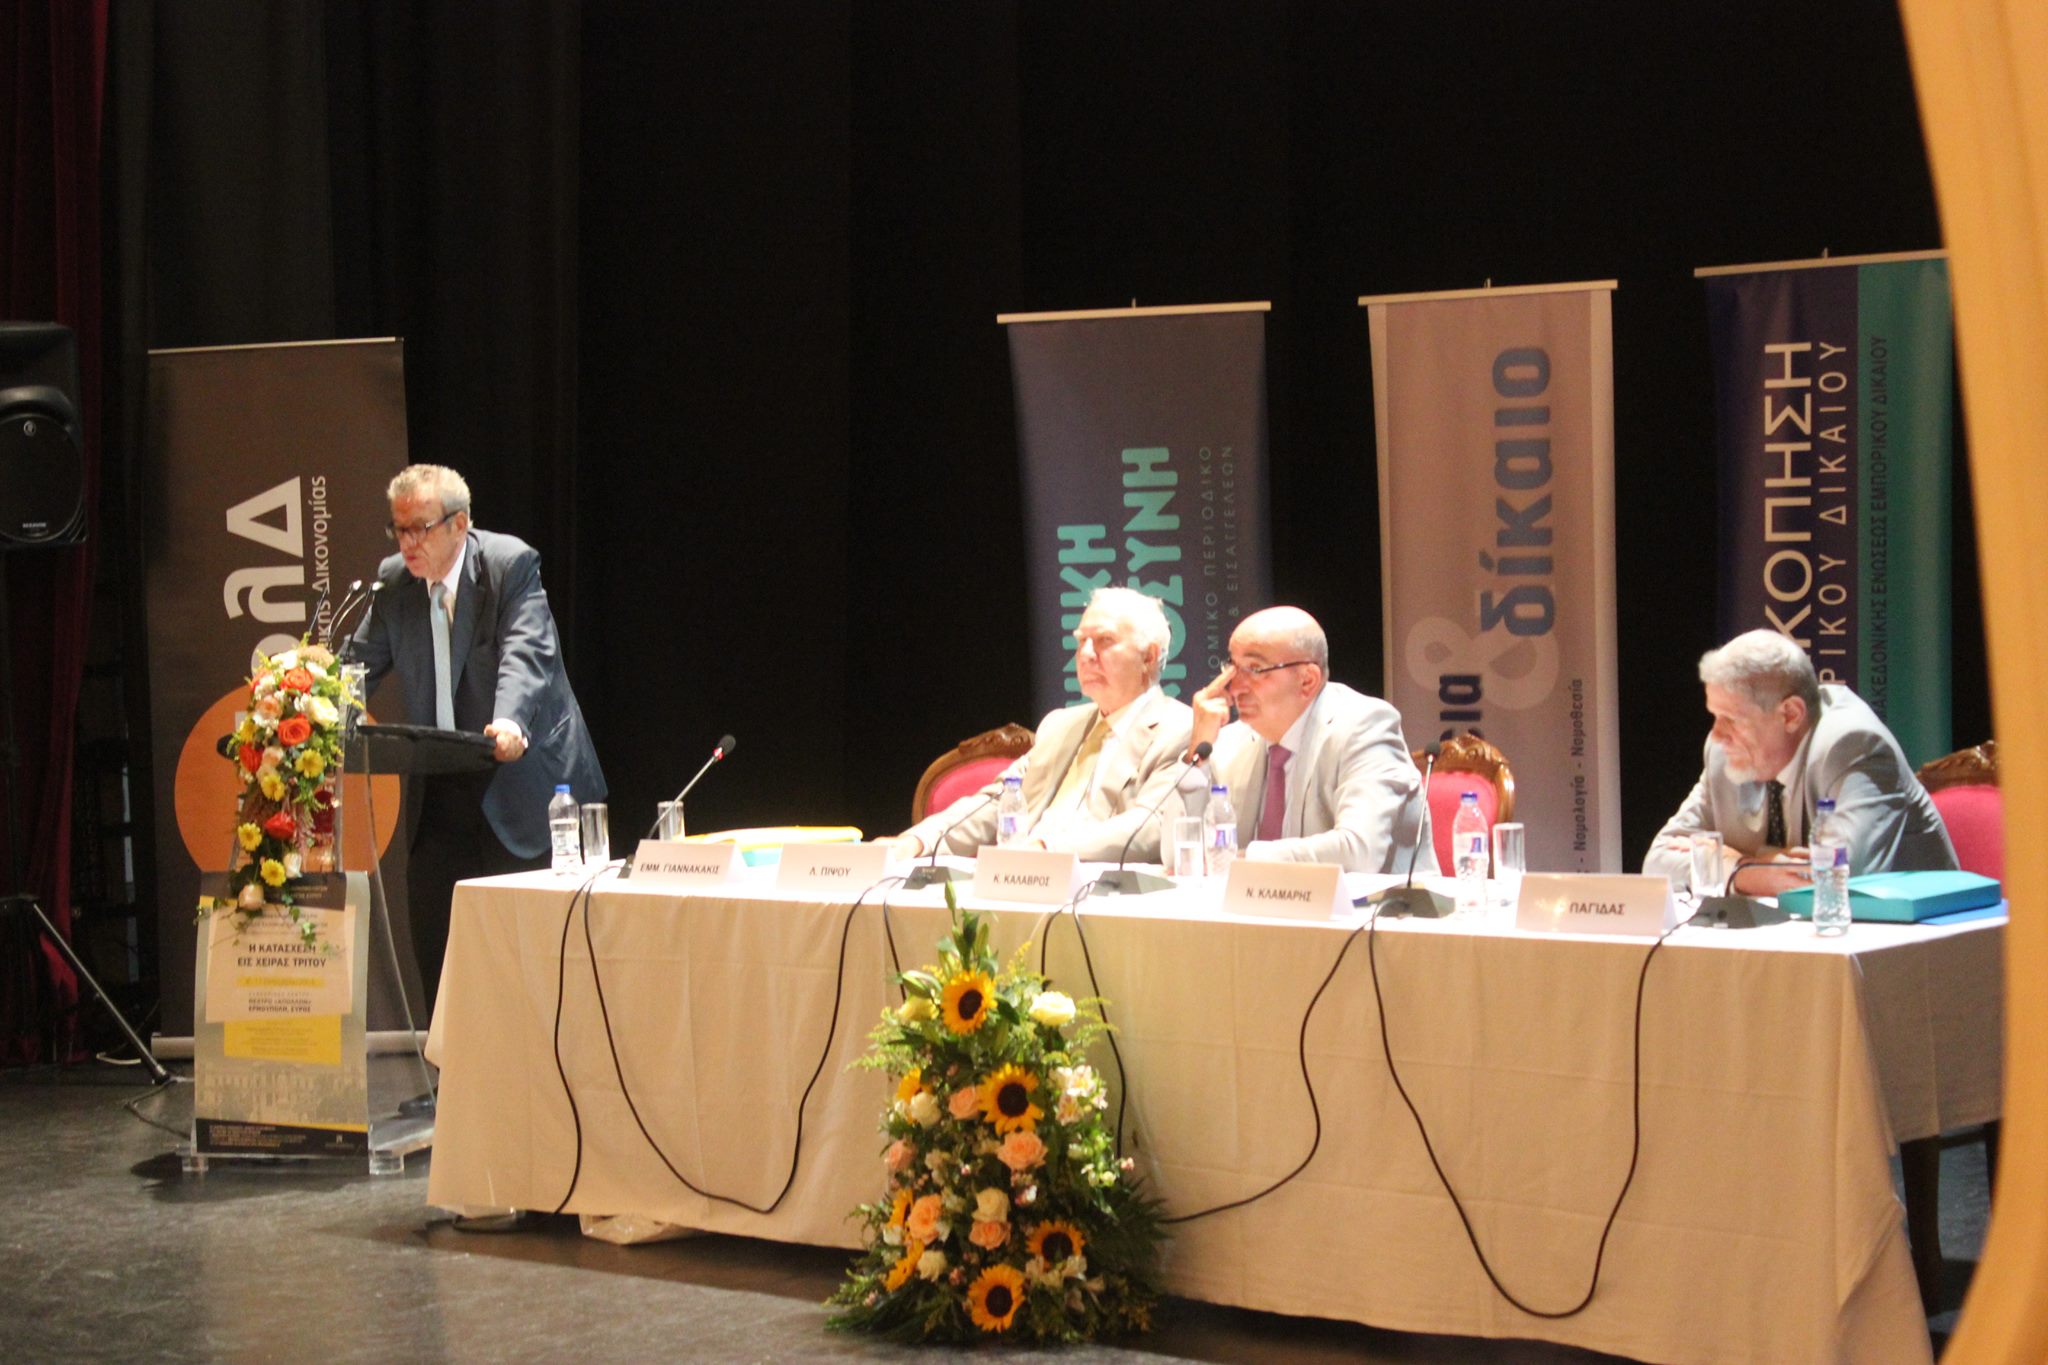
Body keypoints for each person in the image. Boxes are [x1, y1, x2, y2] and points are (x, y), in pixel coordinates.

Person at [350, 464, 605, 1016]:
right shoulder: (394, 583)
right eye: (398, 529)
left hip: (525, 785)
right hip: (442, 789)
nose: (407, 543)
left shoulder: (508, 565)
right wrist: (307, 705)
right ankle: (451, 1070)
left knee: (536, 969)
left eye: (420, 528)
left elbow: (526, 653)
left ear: (459, 524)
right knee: (442, 956)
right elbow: (355, 667)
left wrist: (509, 722)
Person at [1644, 628, 1957, 896]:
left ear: (1791, 714)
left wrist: (1727, 860)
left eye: (1732, 719)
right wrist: (1744, 869)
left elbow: (1840, 878)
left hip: (1914, 936)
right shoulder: (1724, 753)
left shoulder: (1852, 745)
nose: (1717, 734)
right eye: (1715, 716)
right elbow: (1657, 861)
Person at [893, 587, 1195, 863]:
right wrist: (917, 841)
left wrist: (1046, 847)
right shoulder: (1060, 725)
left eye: (1104, 641)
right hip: (1020, 878)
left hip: (1100, 889)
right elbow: (997, 801)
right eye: (1081, 641)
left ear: (1149, 657)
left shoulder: (1182, 730)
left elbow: (1150, 827)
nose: (1085, 655)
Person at [1188, 606, 1434, 874]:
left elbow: (1359, 851)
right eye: (1232, 668)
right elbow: (1180, 853)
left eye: (1255, 669)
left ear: (1307, 680)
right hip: (1256, 900)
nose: (1234, 687)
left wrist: (1244, 860)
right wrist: (1197, 752)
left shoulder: (1365, 727)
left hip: (1381, 901)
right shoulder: (1231, 741)